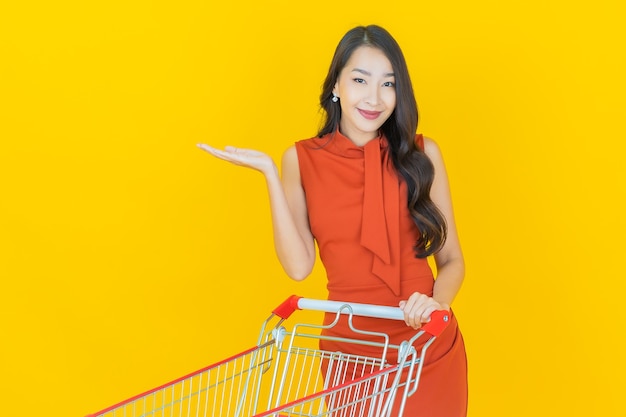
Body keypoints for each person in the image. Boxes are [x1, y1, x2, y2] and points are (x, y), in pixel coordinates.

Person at [198, 25, 467, 417]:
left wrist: (434, 305)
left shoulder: (423, 155)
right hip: (350, 357)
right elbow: (298, 266)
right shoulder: (301, 160)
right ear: (336, 85)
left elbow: (453, 261)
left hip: (424, 348)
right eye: (360, 80)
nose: (374, 98)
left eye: (388, 84)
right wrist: (271, 176)